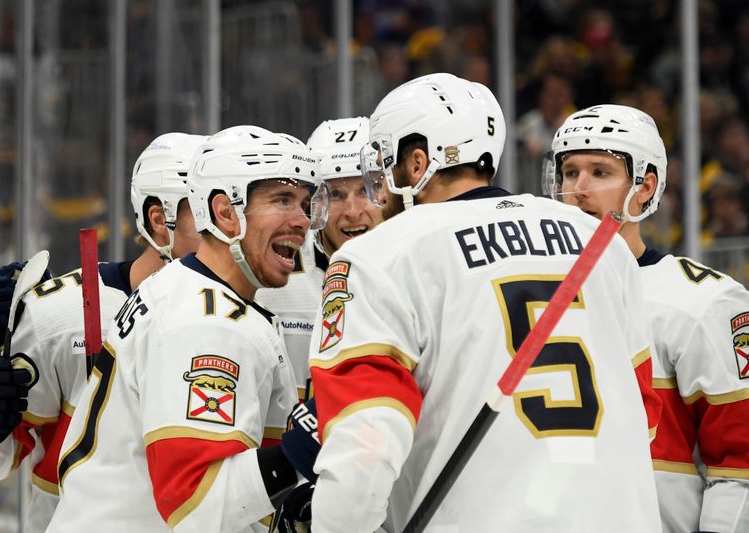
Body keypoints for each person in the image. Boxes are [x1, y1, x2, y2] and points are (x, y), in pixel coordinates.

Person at [307, 73, 663, 532]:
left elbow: (365, 448)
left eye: (385, 166)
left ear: (418, 164)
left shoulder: (380, 254)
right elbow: (642, 411)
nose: (381, 186)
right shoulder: (601, 242)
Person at [47, 126, 327, 532]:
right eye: (282, 200)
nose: (302, 221)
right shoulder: (207, 323)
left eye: (304, 204)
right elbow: (194, 505)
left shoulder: (188, 289)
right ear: (225, 212)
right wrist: (300, 449)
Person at [0, 132, 207, 533]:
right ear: (160, 220)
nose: (230, 227)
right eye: (207, 212)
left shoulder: (264, 311)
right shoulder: (61, 314)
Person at [545, 104, 749, 533]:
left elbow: (741, 467)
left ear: (645, 187)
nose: (578, 190)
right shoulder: (526, 295)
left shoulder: (702, 302)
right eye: (569, 172)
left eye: (600, 173)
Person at [256, 116, 383, 402]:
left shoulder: (417, 267)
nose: (352, 211)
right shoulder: (274, 278)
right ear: (315, 204)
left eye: (365, 190)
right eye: (336, 194)